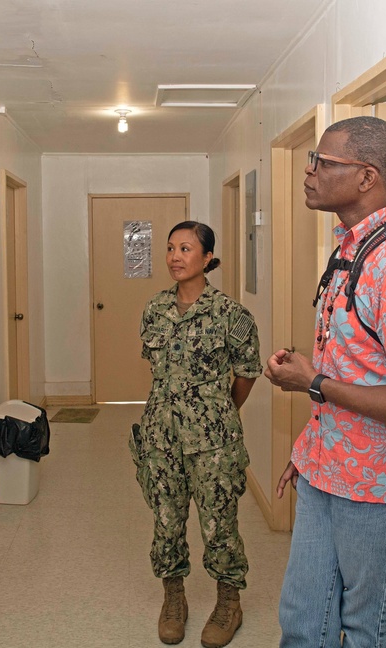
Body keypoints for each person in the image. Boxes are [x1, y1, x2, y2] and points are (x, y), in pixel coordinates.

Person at [265, 116, 386, 647]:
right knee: (305, 622)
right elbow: (359, 366)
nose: (310, 171)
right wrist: (313, 447)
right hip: (329, 472)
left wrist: (315, 382)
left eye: (323, 162)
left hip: (382, 489)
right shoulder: (353, 248)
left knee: (365, 630)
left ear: (366, 177)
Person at [130, 221, 262, 648]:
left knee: (218, 524)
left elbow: (245, 374)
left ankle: (229, 602)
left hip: (214, 442)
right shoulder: (154, 309)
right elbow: (157, 369)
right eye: (170, 248)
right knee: (166, 522)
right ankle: (174, 599)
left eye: (186, 248)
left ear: (207, 258)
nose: (175, 256)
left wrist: (218, 413)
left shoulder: (232, 315)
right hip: (160, 438)